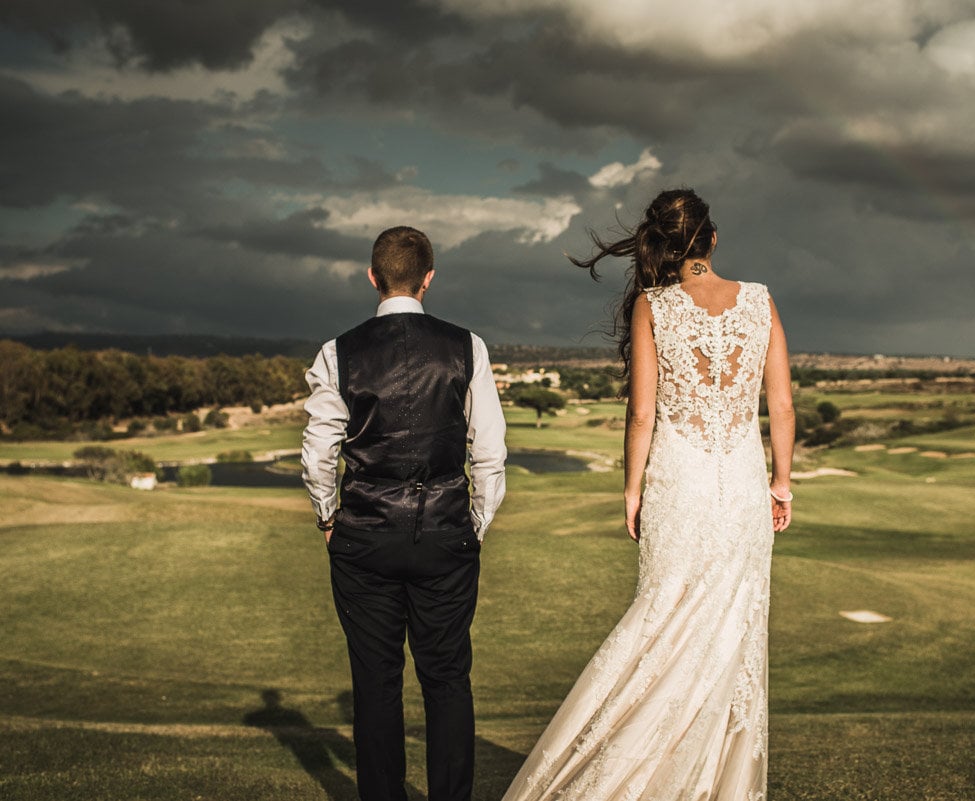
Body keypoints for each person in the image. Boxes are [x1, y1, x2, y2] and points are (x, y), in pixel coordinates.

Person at [501, 188, 794, 800]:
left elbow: (642, 413)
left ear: (661, 243)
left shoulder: (653, 306)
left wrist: (631, 489)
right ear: (712, 240)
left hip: (678, 482)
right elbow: (783, 405)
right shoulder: (760, 302)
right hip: (741, 485)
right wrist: (782, 481)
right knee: (729, 633)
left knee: (662, 622)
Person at [301, 225, 507, 801]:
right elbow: (488, 453)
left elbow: (320, 453)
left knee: (374, 685)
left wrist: (327, 516)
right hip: (446, 533)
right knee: (446, 681)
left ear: (373, 277)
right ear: (429, 278)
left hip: (364, 537)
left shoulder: (337, 352)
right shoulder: (469, 346)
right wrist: (476, 524)